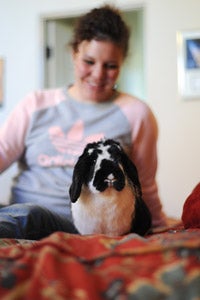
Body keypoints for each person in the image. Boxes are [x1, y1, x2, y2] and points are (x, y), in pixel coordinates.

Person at [0, 5, 167, 239]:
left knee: (31, 215)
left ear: (122, 63)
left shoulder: (136, 113)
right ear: (74, 53)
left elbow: (145, 184)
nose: (98, 75)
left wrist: (158, 226)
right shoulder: (36, 104)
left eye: (110, 66)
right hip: (19, 213)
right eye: (89, 61)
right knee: (21, 214)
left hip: (80, 224)